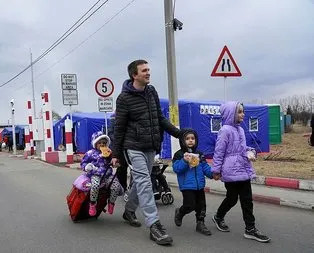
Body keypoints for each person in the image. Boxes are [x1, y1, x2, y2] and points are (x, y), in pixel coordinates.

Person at [112, 59, 183, 246]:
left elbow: (159, 118)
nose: (148, 72)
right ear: (134, 75)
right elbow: (119, 128)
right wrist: (115, 155)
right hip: (132, 146)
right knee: (144, 181)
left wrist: (179, 133)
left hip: (151, 146)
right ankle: (154, 224)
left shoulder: (151, 92)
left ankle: (128, 211)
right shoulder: (124, 98)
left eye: (148, 69)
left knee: (140, 182)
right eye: (144, 70)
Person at [211, 101, 271, 243]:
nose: (243, 114)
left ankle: (250, 229)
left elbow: (241, 148)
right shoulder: (225, 130)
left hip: (243, 168)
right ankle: (218, 216)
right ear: (231, 114)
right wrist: (216, 170)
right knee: (231, 199)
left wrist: (250, 151)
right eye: (239, 112)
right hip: (230, 171)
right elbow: (219, 152)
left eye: (243, 111)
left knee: (247, 200)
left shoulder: (241, 130)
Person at [172, 128, 213, 236]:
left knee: (201, 206)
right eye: (187, 138)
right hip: (187, 186)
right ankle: (180, 213)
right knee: (189, 205)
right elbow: (177, 169)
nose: (190, 140)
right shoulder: (179, 155)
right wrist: (185, 161)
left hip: (199, 185)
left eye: (193, 138)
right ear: (182, 140)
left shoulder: (199, 153)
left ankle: (200, 224)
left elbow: (205, 167)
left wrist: (213, 174)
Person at [80, 131, 123, 216]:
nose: (102, 144)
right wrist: (87, 167)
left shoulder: (109, 152)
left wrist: (116, 163)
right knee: (95, 186)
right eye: (99, 143)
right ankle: (92, 204)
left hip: (108, 174)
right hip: (95, 174)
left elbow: (114, 161)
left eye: (104, 143)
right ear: (95, 143)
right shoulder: (90, 153)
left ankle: (111, 202)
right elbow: (83, 163)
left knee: (116, 186)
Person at [107, 112, 128, 192]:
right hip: (119, 147)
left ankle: (132, 188)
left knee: (134, 169)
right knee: (121, 168)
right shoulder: (113, 117)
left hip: (128, 145)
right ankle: (122, 187)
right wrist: (119, 141)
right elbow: (110, 132)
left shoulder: (128, 115)